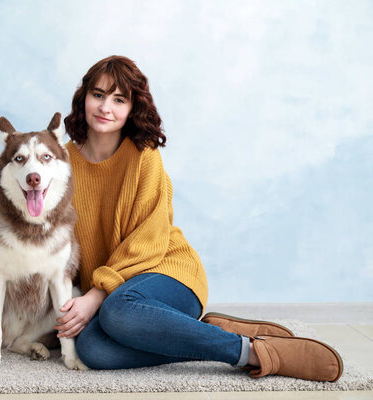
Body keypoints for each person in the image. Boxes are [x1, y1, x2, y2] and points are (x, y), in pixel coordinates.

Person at [54, 55, 343, 382]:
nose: (106, 107)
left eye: (119, 99)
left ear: (132, 108)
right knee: (92, 349)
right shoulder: (60, 163)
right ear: (84, 97)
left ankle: (253, 351)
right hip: (118, 294)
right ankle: (201, 333)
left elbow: (147, 243)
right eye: (98, 94)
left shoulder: (143, 153)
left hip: (168, 273)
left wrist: (96, 295)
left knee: (117, 311)